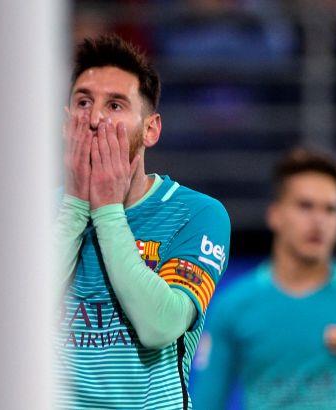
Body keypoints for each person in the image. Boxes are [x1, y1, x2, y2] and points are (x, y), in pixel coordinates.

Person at [54, 34, 230, 409]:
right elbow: (13, 322)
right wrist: (75, 205)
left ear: (151, 129)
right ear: (67, 122)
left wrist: (107, 211)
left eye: (115, 105)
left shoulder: (197, 214)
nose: (95, 119)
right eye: (84, 102)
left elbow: (160, 326)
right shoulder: (33, 212)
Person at [191, 148, 336, 409]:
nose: (318, 221)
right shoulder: (233, 306)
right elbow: (206, 404)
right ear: (275, 215)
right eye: (305, 206)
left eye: (331, 210)